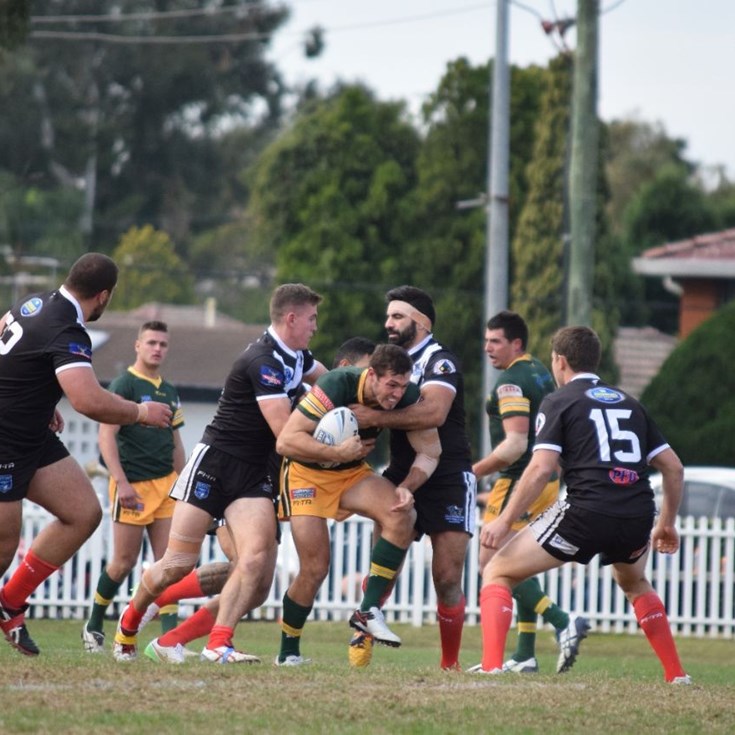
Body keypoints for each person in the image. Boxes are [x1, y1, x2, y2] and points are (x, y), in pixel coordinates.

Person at [113, 283, 326, 664]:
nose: (315, 326)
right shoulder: (263, 360)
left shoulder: (298, 356)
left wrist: (359, 389)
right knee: (176, 565)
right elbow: (285, 433)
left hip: (253, 475)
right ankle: (129, 624)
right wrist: (335, 449)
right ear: (291, 318)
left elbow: (327, 384)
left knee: (257, 561)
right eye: (311, 318)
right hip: (215, 464)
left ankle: (217, 644)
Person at [471, 326, 691, 684]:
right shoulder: (630, 403)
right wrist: (665, 524)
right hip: (636, 514)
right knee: (635, 584)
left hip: (585, 513)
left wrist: (503, 519)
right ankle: (676, 673)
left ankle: (493, 666)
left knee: (498, 570)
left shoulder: (559, 401)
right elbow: (674, 468)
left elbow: (541, 468)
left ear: (560, 361)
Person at [140, 338, 376, 664]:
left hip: (261, 490)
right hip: (233, 481)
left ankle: (171, 639)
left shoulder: (340, 415)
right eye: (369, 373)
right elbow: (287, 442)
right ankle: (168, 613)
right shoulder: (308, 404)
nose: (373, 382)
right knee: (244, 569)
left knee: (256, 586)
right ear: (346, 370)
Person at [0, 253, 172, 656]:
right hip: (5, 438)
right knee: (4, 544)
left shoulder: (34, 303)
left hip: (32, 433)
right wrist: (140, 412)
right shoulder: (69, 330)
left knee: (83, 512)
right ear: (104, 296)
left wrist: (40, 399)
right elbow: (88, 400)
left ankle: (10, 601)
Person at [274, 343, 441, 666]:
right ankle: (288, 652)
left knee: (402, 513)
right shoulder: (337, 384)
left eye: (403, 386)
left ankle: (368, 609)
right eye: (391, 385)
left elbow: (430, 452)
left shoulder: (407, 396)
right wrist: (337, 453)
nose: (396, 394)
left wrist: (407, 487)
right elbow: (286, 441)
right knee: (315, 568)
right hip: (306, 475)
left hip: (350, 474)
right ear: (372, 375)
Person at [351, 286, 475, 671]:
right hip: (402, 470)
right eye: (388, 317)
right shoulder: (385, 362)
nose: (388, 324)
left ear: (420, 322)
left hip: (450, 475)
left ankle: (449, 664)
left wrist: (376, 419)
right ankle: (360, 652)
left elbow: (434, 413)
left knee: (447, 577)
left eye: (397, 317)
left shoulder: (441, 362)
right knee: (382, 568)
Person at [473, 311, 586, 674]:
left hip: (521, 480)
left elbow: (515, 444)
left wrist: (472, 471)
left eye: (496, 341)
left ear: (516, 343)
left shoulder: (512, 381)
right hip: (547, 479)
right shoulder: (539, 369)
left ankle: (562, 619)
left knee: (490, 564)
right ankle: (525, 653)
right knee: (518, 562)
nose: (487, 347)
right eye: (487, 340)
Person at [82, 321, 186, 653]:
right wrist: (121, 482)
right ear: (137, 346)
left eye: (164, 344)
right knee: (123, 561)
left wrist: (184, 486)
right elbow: (106, 436)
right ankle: (95, 622)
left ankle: (169, 641)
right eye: (152, 342)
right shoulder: (124, 384)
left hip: (166, 486)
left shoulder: (169, 390)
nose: (158, 348)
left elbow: (176, 442)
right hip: (133, 486)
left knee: (170, 565)